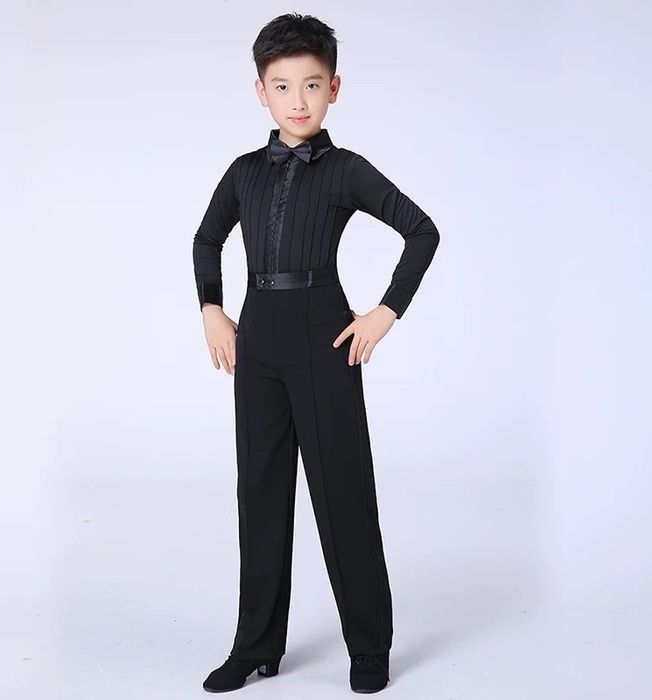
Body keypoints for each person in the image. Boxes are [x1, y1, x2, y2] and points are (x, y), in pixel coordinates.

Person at [194, 12, 440, 694]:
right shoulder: (243, 172)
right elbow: (207, 239)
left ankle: (369, 645)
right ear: (260, 92)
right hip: (258, 343)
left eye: (311, 84)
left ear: (334, 87)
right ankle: (256, 645)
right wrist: (211, 309)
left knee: (343, 494)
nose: (297, 101)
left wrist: (385, 312)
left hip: (324, 338)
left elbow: (421, 230)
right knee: (260, 495)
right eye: (282, 86)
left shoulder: (346, 170)